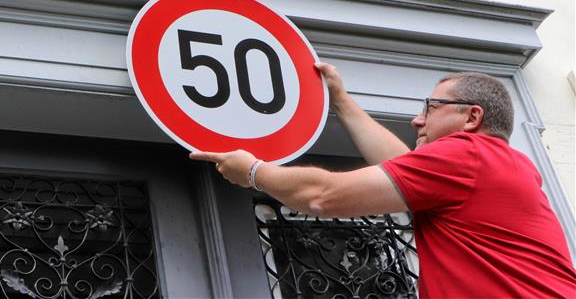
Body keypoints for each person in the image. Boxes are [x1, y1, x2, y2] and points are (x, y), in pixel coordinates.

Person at [191, 62, 576, 298]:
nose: (417, 119)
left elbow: (323, 197)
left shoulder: (467, 154)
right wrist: (341, 101)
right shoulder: (500, 165)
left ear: (471, 117)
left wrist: (255, 172)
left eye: (431, 107)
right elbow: (403, 165)